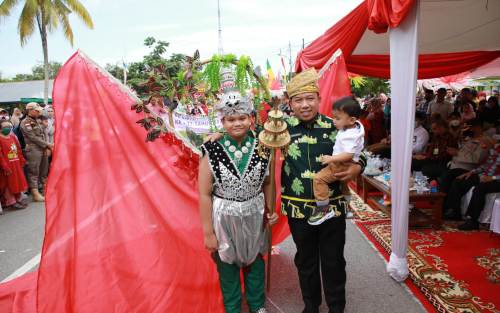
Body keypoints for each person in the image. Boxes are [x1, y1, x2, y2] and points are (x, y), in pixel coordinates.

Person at [282, 68, 364, 313]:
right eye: (298, 100)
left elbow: (361, 153)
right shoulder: (280, 130)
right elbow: (247, 133)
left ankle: (337, 307)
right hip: (298, 208)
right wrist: (218, 133)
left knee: (333, 260)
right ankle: (311, 306)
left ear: (319, 99)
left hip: (333, 206)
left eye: (310, 98)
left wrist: (358, 168)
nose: (305, 105)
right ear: (290, 103)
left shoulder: (337, 126)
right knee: (305, 260)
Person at [198, 90, 278, 313]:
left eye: (242, 118)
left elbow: (268, 182)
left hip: (254, 213)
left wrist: (271, 209)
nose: (237, 123)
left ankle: (257, 305)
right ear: (222, 121)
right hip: (224, 217)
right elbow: (204, 193)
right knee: (227, 265)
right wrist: (208, 232)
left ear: (251, 118)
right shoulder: (211, 148)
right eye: (231, 119)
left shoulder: (264, 146)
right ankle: (232, 308)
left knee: (255, 261)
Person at [311, 96, 364, 224]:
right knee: (343, 184)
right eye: (333, 117)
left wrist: (331, 158)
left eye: (337, 118)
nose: (334, 121)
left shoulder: (349, 135)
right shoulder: (354, 128)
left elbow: (349, 154)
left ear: (352, 120)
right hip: (344, 164)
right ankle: (347, 207)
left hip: (340, 164)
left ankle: (323, 209)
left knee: (319, 179)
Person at [443, 142, 500, 222]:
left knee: (480, 188)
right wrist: (472, 172)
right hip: (485, 176)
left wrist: (493, 178)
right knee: (459, 181)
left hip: (496, 180)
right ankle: (453, 211)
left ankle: (472, 220)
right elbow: (486, 165)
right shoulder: (497, 148)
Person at [20, 102, 52, 202]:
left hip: (42, 148)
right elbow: (32, 137)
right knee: (33, 171)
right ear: (30, 110)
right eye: (36, 110)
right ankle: (35, 193)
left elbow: (42, 135)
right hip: (33, 149)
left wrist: (46, 146)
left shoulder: (37, 121)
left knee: (44, 170)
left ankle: (45, 189)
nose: (38, 112)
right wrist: (47, 145)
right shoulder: (25, 122)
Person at [0, 120, 28, 210]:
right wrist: (5, 167)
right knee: (8, 185)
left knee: (17, 182)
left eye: (9, 126)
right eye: (4, 127)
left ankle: (18, 199)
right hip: (7, 166)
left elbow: (18, 150)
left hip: (15, 164)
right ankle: (11, 202)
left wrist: (22, 160)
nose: (7, 128)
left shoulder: (12, 137)